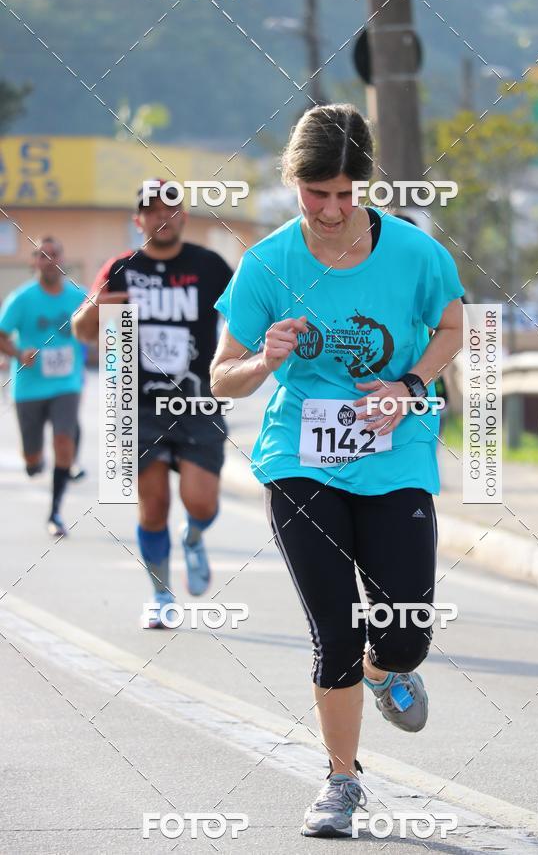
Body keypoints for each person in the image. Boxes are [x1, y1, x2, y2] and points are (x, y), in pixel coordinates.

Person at [211, 104, 464, 838]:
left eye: (346, 194)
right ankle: (341, 782)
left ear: (366, 186)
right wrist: (266, 358)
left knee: (405, 629)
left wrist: (411, 386)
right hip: (301, 460)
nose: (330, 209)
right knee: (336, 628)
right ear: (294, 182)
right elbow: (224, 375)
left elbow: (455, 327)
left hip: (398, 452)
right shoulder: (267, 263)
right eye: (315, 193)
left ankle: (392, 670)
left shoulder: (416, 255)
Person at [72, 180, 232, 626]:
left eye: (171, 209)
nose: (162, 217)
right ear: (138, 219)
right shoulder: (121, 268)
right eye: (152, 210)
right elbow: (82, 330)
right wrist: (96, 310)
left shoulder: (210, 267)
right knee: (154, 502)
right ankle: (161, 595)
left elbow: (248, 317)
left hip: (199, 402)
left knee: (200, 501)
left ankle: (195, 537)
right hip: (135, 406)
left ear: (184, 217)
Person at [0, 237, 88, 537]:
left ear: (63, 259)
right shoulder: (22, 299)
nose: (48, 260)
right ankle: (32, 462)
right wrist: (18, 354)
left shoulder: (79, 296)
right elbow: (1, 334)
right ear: (33, 262)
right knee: (33, 459)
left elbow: (103, 323)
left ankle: (55, 513)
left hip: (66, 383)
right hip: (28, 387)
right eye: (41, 255)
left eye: (53, 254)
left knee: (64, 441)